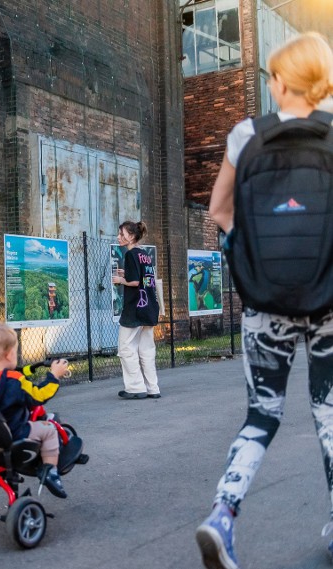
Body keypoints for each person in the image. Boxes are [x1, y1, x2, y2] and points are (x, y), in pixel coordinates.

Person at [196, 32, 333, 569]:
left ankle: (222, 516)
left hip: (265, 306)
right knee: (329, 415)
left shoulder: (245, 135)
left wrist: (247, 255)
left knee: (261, 415)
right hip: (329, 300)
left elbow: (218, 210)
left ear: (278, 81)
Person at [0, 322, 70, 499]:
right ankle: (50, 471)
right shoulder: (14, 380)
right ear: (9, 355)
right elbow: (39, 396)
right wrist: (54, 376)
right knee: (49, 430)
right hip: (15, 433)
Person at [111, 221, 160, 400]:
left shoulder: (131, 254)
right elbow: (143, 278)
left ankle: (135, 387)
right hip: (149, 307)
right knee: (146, 349)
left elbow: (134, 282)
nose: (118, 237)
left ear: (131, 236)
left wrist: (119, 280)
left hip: (135, 309)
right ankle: (152, 387)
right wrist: (127, 276)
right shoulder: (144, 255)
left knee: (125, 348)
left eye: (121, 233)